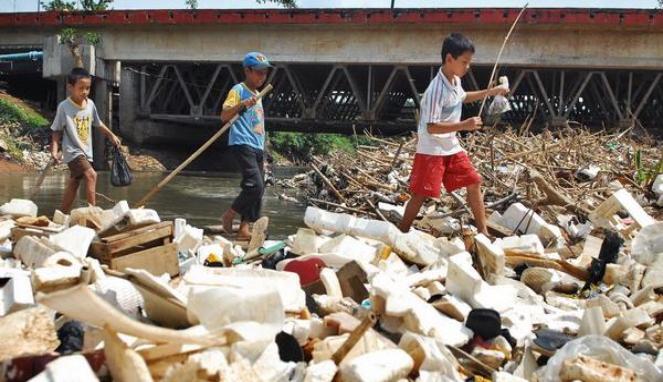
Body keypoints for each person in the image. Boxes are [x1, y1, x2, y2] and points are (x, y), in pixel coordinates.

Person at [399, 33, 509, 235]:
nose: (467, 67)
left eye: (469, 62)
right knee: (420, 194)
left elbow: (463, 97)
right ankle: (401, 232)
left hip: (450, 146)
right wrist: (463, 125)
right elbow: (431, 127)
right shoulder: (435, 90)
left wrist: (491, 91)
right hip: (431, 149)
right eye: (464, 62)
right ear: (449, 59)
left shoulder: (455, 81)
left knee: (474, 182)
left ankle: (483, 232)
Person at [50, 67, 121, 213]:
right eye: (81, 88)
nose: (85, 92)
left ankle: (61, 213)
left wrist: (111, 135)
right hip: (73, 151)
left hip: (86, 151)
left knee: (75, 182)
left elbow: (98, 123)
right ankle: (92, 212)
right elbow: (56, 130)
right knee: (91, 175)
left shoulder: (90, 105)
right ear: (70, 87)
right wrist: (54, 150)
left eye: (87, 88)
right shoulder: (64, 107)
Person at [220, 52, 272, 239]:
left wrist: (263, 150)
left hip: (257, 146)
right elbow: (225, 116)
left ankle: (244, 228)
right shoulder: (239, 90)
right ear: (247, 71)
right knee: (254, 186)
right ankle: (229, 215)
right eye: (258, 72)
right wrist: (241, 105)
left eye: (264, 73)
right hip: (242, 142)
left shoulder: (258, 95)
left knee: (259, 188)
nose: (262, 77)